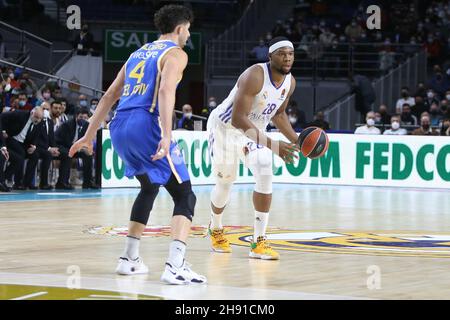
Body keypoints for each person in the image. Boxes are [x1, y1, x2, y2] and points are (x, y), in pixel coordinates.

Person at [68, 5, 206, 285]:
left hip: (119, 126)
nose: (189, 34)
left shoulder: (136, 53)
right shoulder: (176, 54)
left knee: (149, 186)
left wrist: (89, 134)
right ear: (180, 29)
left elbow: (108, 95)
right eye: (188, 29)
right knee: (185, 195)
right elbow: (167, 91)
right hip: (147, 124)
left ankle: (129, 259)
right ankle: (175, 265)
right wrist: (167, 135)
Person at [206, 36, 300, 260]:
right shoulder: (255, 75)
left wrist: (298, 142)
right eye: (282, 53)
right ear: (270, 56)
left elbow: (278, 114)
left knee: (265, 166)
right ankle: (215, 227)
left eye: (291, 54)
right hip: (225, 128)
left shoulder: (290, 83)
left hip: (252, 132)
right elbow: (238, 119)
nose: (287, 58)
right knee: (225, 183)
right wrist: (274, 144)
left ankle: (259, 242)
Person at [0, 107, 43, 190]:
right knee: (21, 155)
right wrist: (3, 131)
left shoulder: (39, 122)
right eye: (36, 117)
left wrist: (34, 145)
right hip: (10, 139)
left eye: (40, 118)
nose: (37, 120)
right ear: (32, 113)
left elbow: (37, 136)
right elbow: (2, 116)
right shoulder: (20, 114)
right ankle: (15, 182)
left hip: (24, 143)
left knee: (35, 155)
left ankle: (26, 183)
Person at [55, 108, 97, 190]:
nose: (83, 119)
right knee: (68, 155)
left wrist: (85, 148)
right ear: (76, 116)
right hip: (62, 146)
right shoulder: (67, 125)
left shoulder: (86, 125)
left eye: (85, 118)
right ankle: (62, 182)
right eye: (81, 117)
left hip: (76, 147)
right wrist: (77, 148)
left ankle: (87, 182)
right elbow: (63, 141)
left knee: (88, 155)